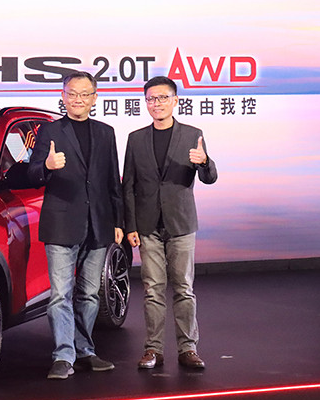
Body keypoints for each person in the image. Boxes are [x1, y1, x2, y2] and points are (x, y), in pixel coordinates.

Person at [28, 70, 124, 380]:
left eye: (84, 94)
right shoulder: (49, 131)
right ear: (63, 96)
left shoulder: (106, 132)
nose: (78, 99)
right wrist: (46, 166)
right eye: (72, 94)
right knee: (60, 295)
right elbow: (30, 174)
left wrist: (118, 221)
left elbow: (113, 181)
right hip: (61, 224)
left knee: (90, 295)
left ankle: (85, 350)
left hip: (98, 224)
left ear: (95, 98)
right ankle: (63, 355)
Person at [122, 76, 218, 370]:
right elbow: (128, 185)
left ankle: (188, 348)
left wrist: (204, 162)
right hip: (147, 225)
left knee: (183, 288)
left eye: (163, 97)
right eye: (151, 99)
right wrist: (130, 226)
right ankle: (153, 349)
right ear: (145, 103)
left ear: (175, 100)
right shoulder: (136, 138)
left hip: (181, 223)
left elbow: (209, 178)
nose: (157, 103)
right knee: (153, 290)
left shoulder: (192, 135)